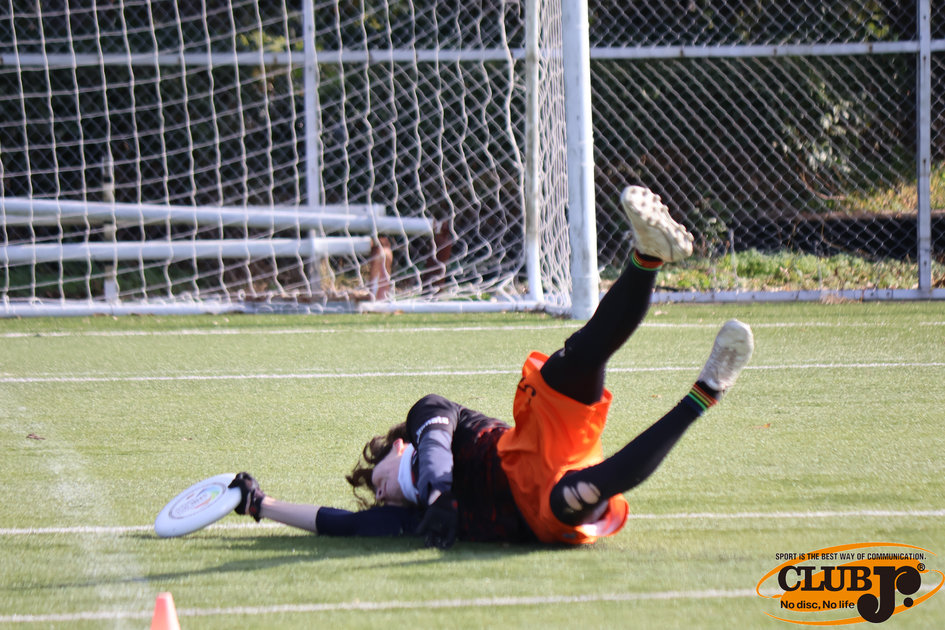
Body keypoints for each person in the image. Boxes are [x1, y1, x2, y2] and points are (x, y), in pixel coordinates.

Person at [229, 186, 755, 549]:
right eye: (375, 493)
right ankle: (706, 391)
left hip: (538, 441)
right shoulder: (417, 520)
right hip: (540, 510)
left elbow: (437, 425)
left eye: (376, 478)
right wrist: (262, 504)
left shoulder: (427, 424)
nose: (377, 491)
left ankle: (647, 256)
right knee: (581, 492)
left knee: (575, 359)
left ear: (398, 448)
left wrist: (439, 491)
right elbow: (337, 525)